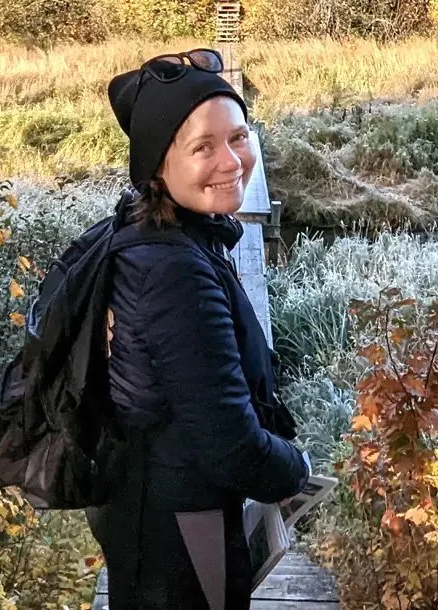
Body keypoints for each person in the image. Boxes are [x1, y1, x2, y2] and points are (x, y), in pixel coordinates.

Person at [87, 49, 310, 610]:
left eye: (239, 137)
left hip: (155, 506)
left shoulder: (168, 237)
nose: (232, 161)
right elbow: (229, 444)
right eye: (202, 147)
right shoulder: (174, 272)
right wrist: (298, 468)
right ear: (157, 167)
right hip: (181, 528)